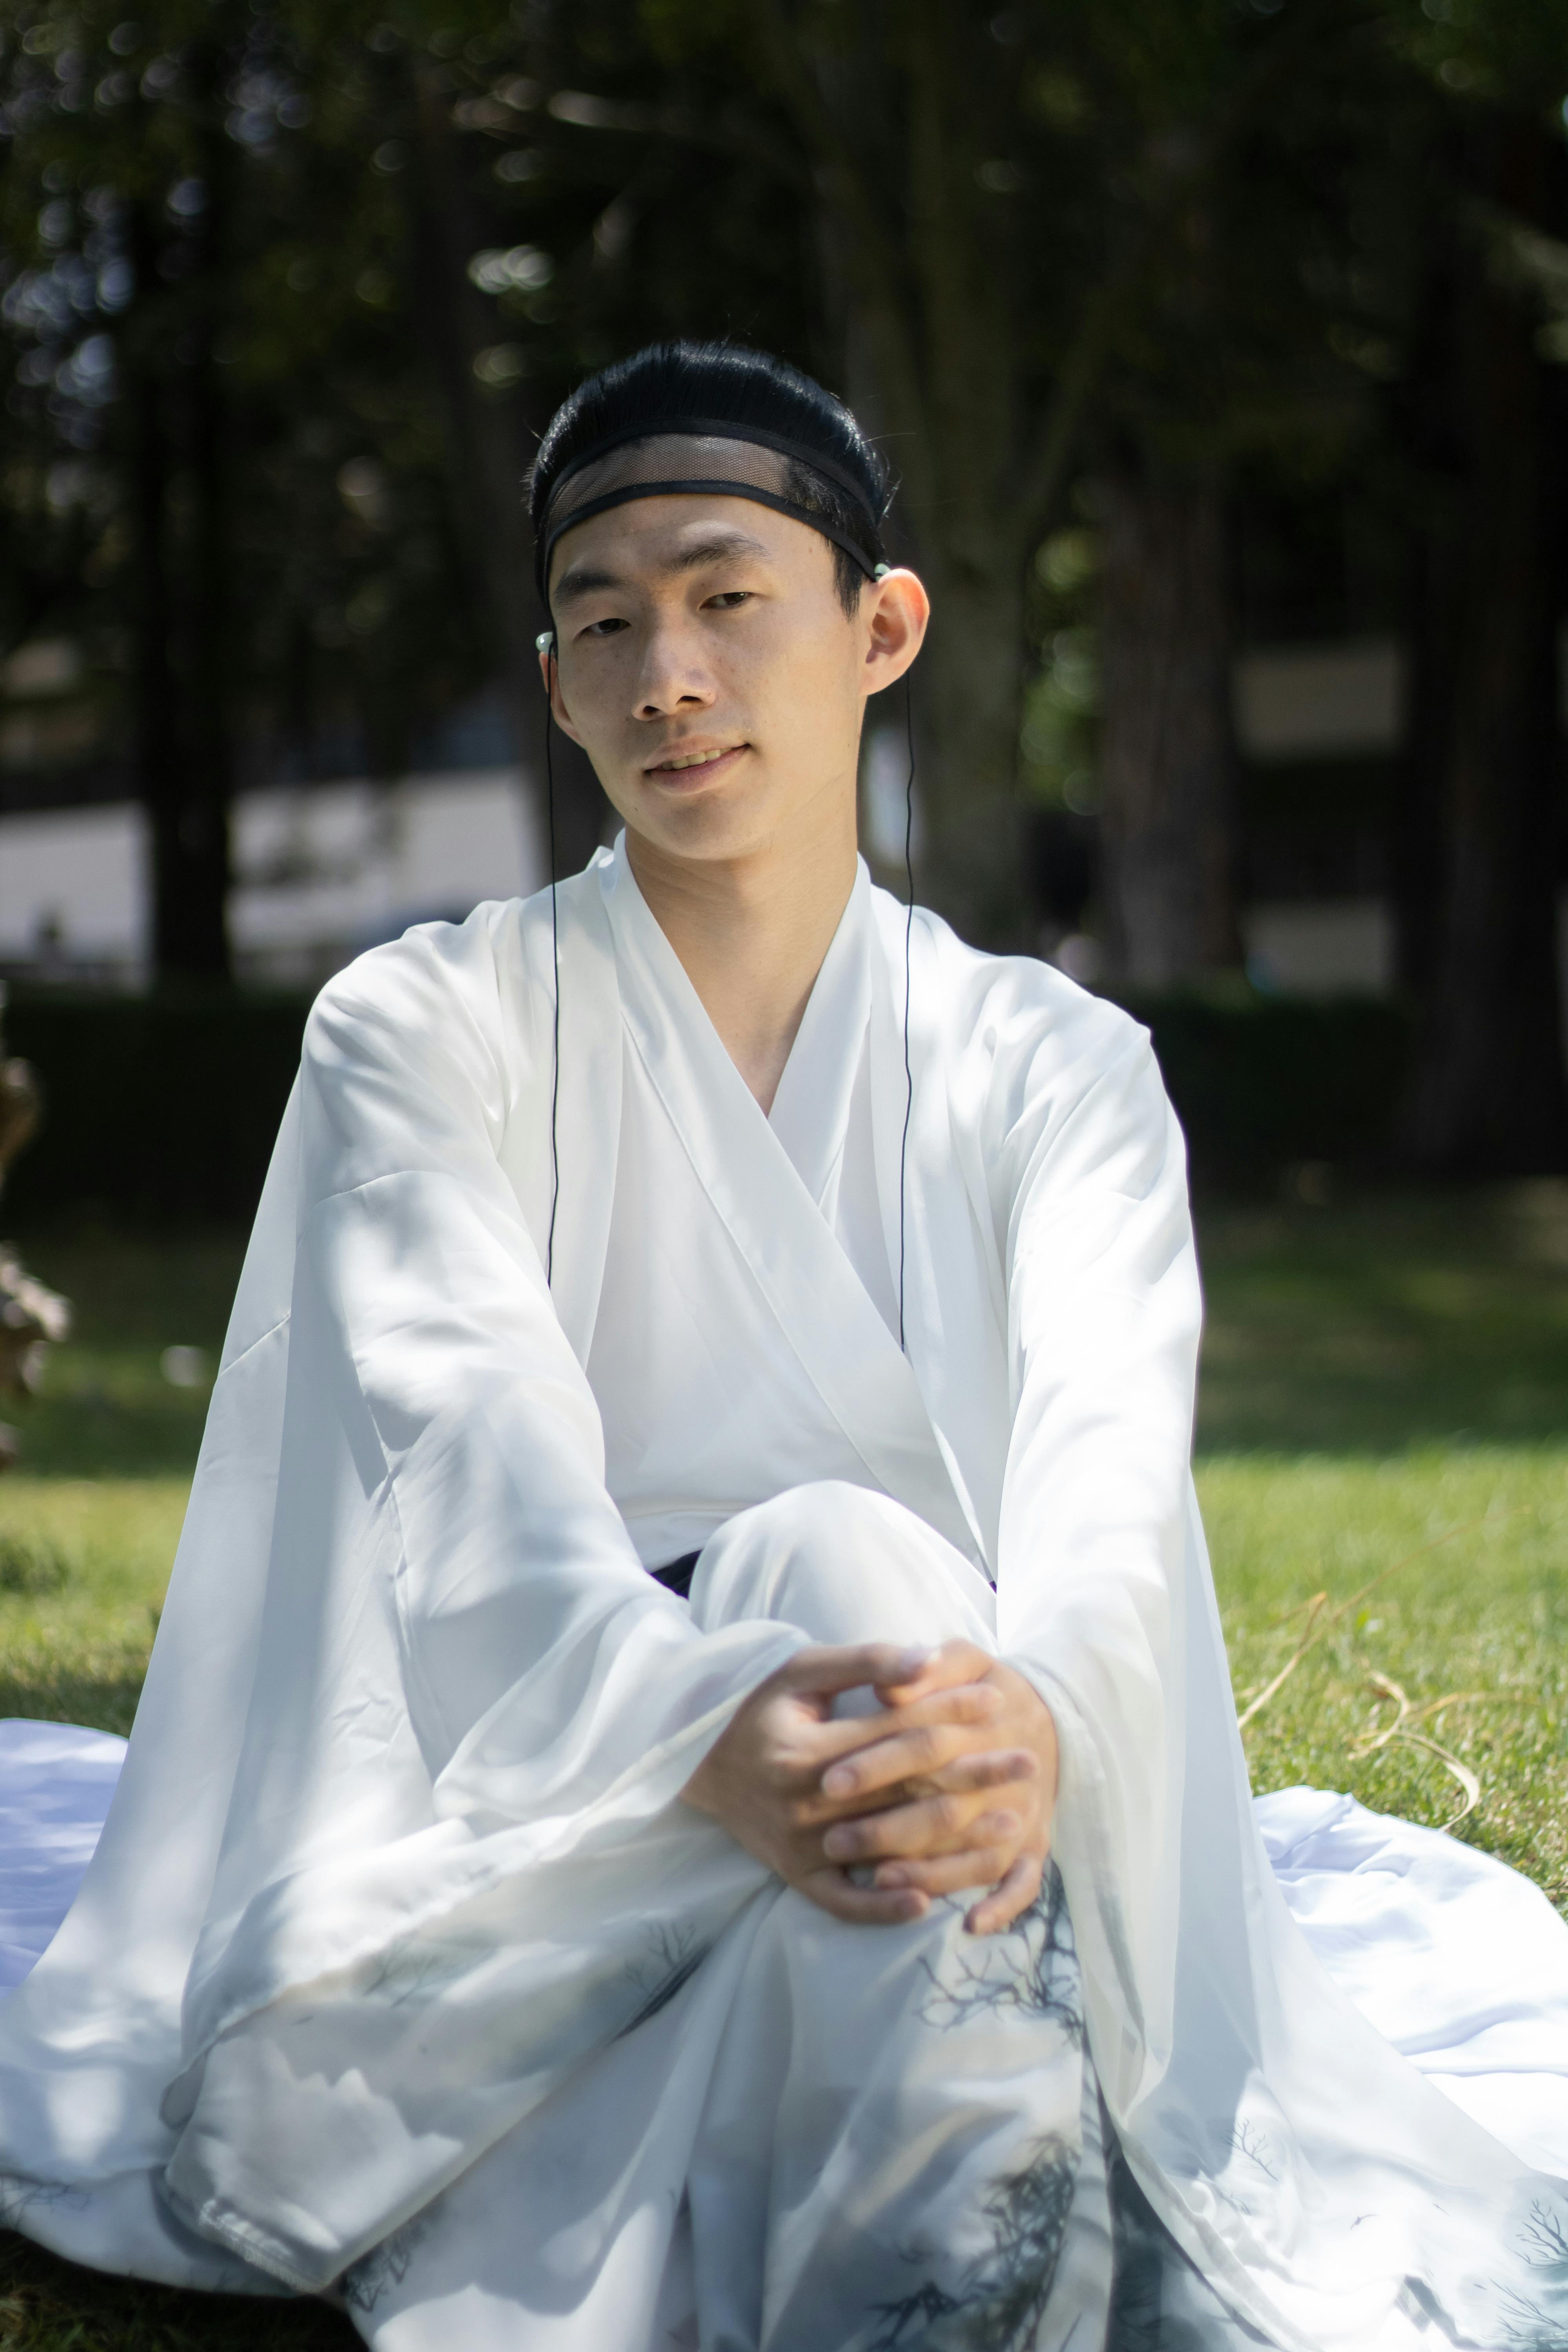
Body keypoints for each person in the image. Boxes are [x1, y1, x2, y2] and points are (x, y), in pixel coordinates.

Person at [1, 340, 1567, 2352]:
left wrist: (1038, 1727)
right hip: (551, 1804)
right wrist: (702, 1728)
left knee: (859, 1579)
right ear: (555, 685)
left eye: (729, 596)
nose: (670, 674)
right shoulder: (423, 1030)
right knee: (835, 1591)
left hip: (955, 1765)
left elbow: (1102, 1485)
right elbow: (473, 1474)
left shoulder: (1059, 1067)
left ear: (880, 627)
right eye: (605, 624)